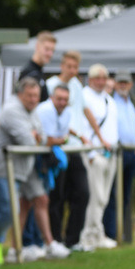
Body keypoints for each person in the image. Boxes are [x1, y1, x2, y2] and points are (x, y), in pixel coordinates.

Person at [0, 78, 70, 264]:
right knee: (8, 210)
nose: (33, 99)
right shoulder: (11, 110)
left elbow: (40, 138)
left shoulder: (33, 112)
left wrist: (37, 137)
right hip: (0, 168)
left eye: (36, 95)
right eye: (29, 95)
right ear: (20, 94)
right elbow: (28, 141)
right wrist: (36, 137)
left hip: (20, 170)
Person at [45, 51, 90, 246]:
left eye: (75, 67)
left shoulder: (77, 86)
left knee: (82, 192)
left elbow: (84, 111)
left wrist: (83, 136)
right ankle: (55, 240)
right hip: (58, 149)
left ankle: (73, 240)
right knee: (58, 197)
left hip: (74, 148)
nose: (72, 70)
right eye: (69, 66)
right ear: (62, 65)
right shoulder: (50, 85)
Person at [77, 63, 119, 250]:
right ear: (90, 79)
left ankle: (98, 232)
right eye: (97, 78)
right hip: (94, 154)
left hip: (110, 154)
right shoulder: (84, 97)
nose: (101, 81)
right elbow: (83, 127)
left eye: (104, 78)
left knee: (103, 198)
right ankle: (89, 235)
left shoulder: (109, 99)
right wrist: (91, 152)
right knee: (95, 196)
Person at [104, 71, 135, 242]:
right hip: (117, 153)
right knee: (113, 194)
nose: (123, 85)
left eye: (126, 82)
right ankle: (111, 233)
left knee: (127, 195)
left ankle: (125, 235)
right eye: (120, 82)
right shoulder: (111, 102)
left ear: (131, 84)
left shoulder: (134, 103)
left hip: (132, 153)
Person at [18, 30, 57, 103]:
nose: (50, 54)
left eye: (52, 50)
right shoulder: (29, 72)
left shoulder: (39, 71)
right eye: (47, 49)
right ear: (37, 46)